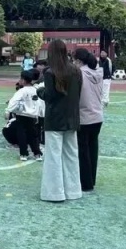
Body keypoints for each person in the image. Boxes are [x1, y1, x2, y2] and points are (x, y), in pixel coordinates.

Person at [37, 39, 83, 203]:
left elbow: (50, 96)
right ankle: (73, 190)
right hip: (72, 117)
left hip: (55, 119)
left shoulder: (50, 72)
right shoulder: (76, 71)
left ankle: (54, 193)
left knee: (53, 156)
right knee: (71, 155)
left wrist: (40, 91)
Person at [74, 48, 104, 192]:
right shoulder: (98, 72)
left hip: (84, 116)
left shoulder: (79, 73)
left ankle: (85, 183)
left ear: (79, 60)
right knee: (93, 149)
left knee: (83, 151)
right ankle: (91, 179)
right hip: (97, 115)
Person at [5, 70, 43, 161]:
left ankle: (24, 154)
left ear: (23, 80)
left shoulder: (21, 91)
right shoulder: (36, 90)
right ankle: (37, 154)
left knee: (22, 135)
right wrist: (38, 114)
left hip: (22, 116)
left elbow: (13, 102)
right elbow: (40, 104)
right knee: (33, 136)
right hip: (33, 116)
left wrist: (9, 110)